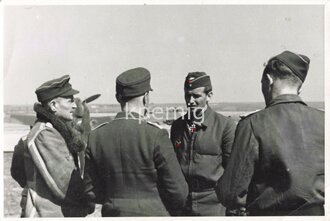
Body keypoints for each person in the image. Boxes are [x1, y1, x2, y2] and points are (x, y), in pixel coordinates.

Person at [217, 50, 324, 216]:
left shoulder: (252, 124)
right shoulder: (324, 120)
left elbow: (230, 193)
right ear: (299, 89)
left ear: (268, 80)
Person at [84, 67, 188, 216]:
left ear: (118, 97)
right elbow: (179, 193)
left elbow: (91, 192)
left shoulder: (96, 137)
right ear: (146, 97)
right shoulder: (156, 135)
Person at [11, 75, 93, 217]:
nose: (75, 105)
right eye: (70, 101)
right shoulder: (45, 134)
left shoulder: (56, 131)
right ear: (53, 105)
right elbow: (65, 186)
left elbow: (17, 172)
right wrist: (88, 200)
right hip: (47, 214)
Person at [170, 72, 236, 216]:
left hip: (213, 203)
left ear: (209, 96)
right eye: (187, 95)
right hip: (183, 203)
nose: (190, 101)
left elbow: (232, 170)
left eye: (196, 96)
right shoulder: (178, 126)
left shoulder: (225, 126)